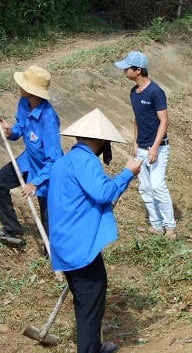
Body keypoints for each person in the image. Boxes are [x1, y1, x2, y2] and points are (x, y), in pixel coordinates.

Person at [48, 108, 142, 353]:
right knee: (91, 301)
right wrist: (128, 173)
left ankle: (94, 345)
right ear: (101, 141)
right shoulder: (85, 160)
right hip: (80, 246)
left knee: (86, 299)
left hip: (66, 244)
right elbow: (104, 193)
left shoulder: (64, 161)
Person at [115, 51, 177, 239]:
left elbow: (164, 122)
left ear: (138, 70)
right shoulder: (134, 92)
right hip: (141, 148)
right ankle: (156, 225)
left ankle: (170, 227)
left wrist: (155, 147)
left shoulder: (156, 92)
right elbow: (137, 120)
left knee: (157, 185)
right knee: (145, 187)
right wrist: (135, 143)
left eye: (127, 68)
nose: (124, 71)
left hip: (157, 148)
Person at [0, 66, 63, 246]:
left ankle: (55, 257)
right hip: (28, 161)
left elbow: (54, 160)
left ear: (31, 90)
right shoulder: (23, 103)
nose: (19, 87)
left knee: (49, 221)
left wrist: (35, 182)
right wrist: (10, 131)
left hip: (47, 172)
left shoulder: (48, 118)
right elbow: (20, 128)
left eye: (23, 84)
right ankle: (12, 231)